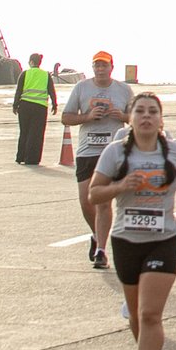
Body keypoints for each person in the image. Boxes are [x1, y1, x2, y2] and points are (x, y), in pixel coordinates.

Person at [88, 91, 176, 350]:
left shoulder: (175, 152)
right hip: (125, 239)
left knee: (150, 313)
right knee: (136, 316)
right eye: (140, 112)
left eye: (152, 112)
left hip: (164, 238)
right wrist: (121, 187)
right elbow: (95, 194)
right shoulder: (115, 154)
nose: (146, 117)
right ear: (131, 118)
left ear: (161, 119)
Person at [62, 50, 133, 270]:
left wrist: (120, 116)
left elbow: (136, 117)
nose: (100, 69)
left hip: (112, 152)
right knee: (86, 200)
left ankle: (101, 250)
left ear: (112, 67)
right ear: (93, 68)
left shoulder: (123, 90)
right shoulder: (81, 88)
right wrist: (87, 117)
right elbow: (66, 117)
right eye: (96, 66)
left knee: (104, 202)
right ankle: (96, 234)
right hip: (87, 152)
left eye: (104, 66)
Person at [12, 52, 58, 165]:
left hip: (24, 106)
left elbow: (19, 91)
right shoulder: (46, 75)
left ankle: (20, 157)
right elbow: (52, 90)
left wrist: (15, 105)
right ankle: (32, 159)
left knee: (24, 132)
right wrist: (54, 104)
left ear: (31, 62)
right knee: (36, 134)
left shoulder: (24, 74)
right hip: (40, 108)